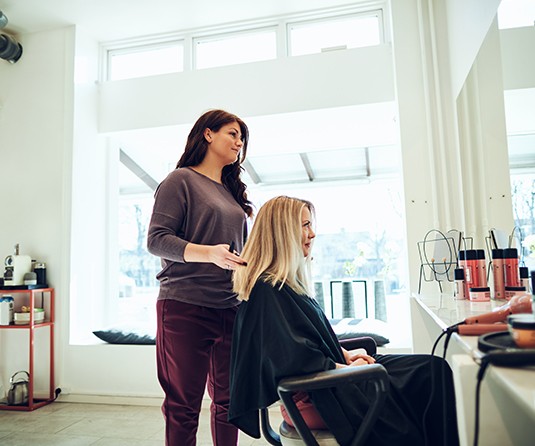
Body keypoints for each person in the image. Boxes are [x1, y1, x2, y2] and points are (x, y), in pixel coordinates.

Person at [228, 196, 459, 446]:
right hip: (322, 396)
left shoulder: (285, 287)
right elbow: (293, 361)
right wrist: (348, 369)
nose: (312, 233)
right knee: (430, 377)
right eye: (305, 225)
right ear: (284, 232)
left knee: (432, 370)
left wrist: (344, 355)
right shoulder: (267, 291)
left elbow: (304, 340)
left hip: (329, 382)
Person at [147, 109, 252, 446]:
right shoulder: (180, 180)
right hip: (184, 307)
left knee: (229, 403)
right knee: (183, 406)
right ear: (208, 134)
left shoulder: (232, 193)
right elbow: (157, 239)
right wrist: (209, 252)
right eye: (232, 134)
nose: (239, 142)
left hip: (230, 309)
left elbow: (239, 252)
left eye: (241, 138)